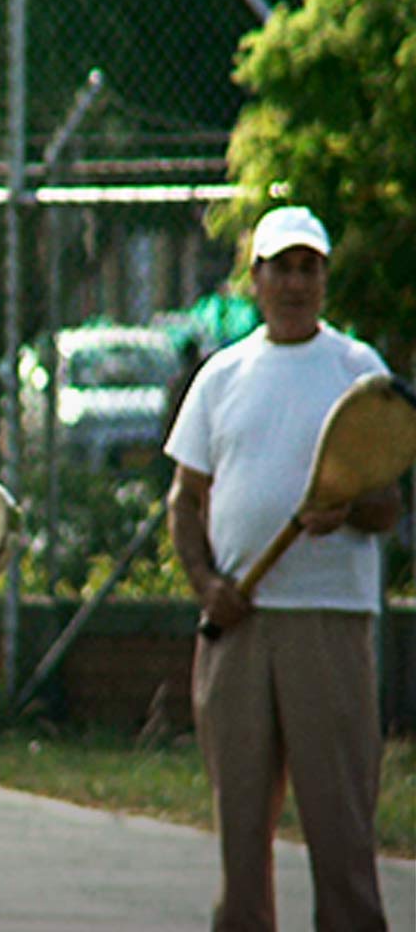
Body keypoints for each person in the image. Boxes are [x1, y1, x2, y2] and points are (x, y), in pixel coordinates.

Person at [164, 204, 398, 931]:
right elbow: (185, 500)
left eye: (308, 268)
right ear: (255, 279)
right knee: (240, 839)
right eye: (281, 268)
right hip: (238, 627)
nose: (295, 283)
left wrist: (347, 510)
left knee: (340, 833)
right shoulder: (221, 376)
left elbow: (387, 506)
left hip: (328, 623)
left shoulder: (358, 371)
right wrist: (207, 586)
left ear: (323, 279)